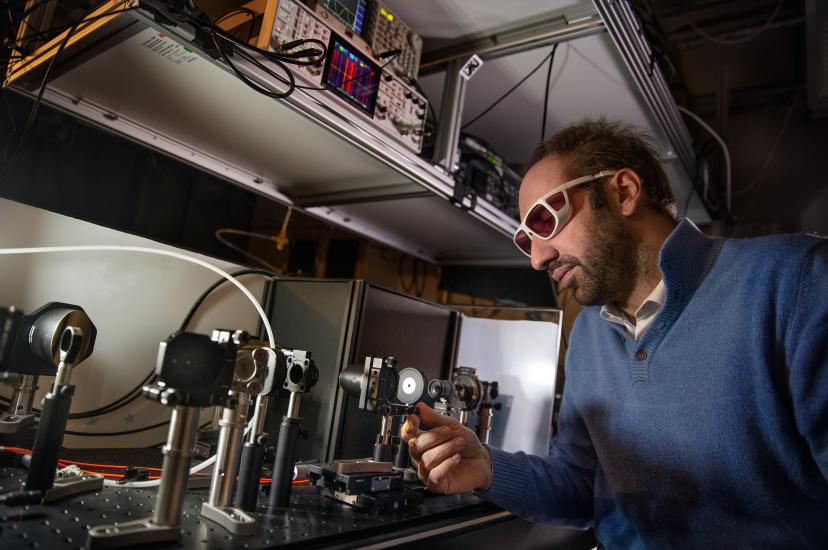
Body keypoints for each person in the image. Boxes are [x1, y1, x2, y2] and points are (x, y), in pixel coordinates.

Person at [402, 119, 828, 547]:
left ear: (623, 192)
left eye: (545, 220)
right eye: (525, 238)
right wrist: (486, 468)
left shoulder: (795, 281)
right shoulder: (590, 332)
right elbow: (582, 487)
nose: (537, 258)